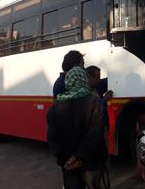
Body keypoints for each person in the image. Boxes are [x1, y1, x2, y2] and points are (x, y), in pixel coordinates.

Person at [47, 51, 109, 189]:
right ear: (84, 79)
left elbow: (52, 138)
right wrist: (78, 157)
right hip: (91, 161)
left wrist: (66, 160)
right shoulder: (94, 102)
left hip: (69, 165)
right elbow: (95, 136)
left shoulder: (56, 105)